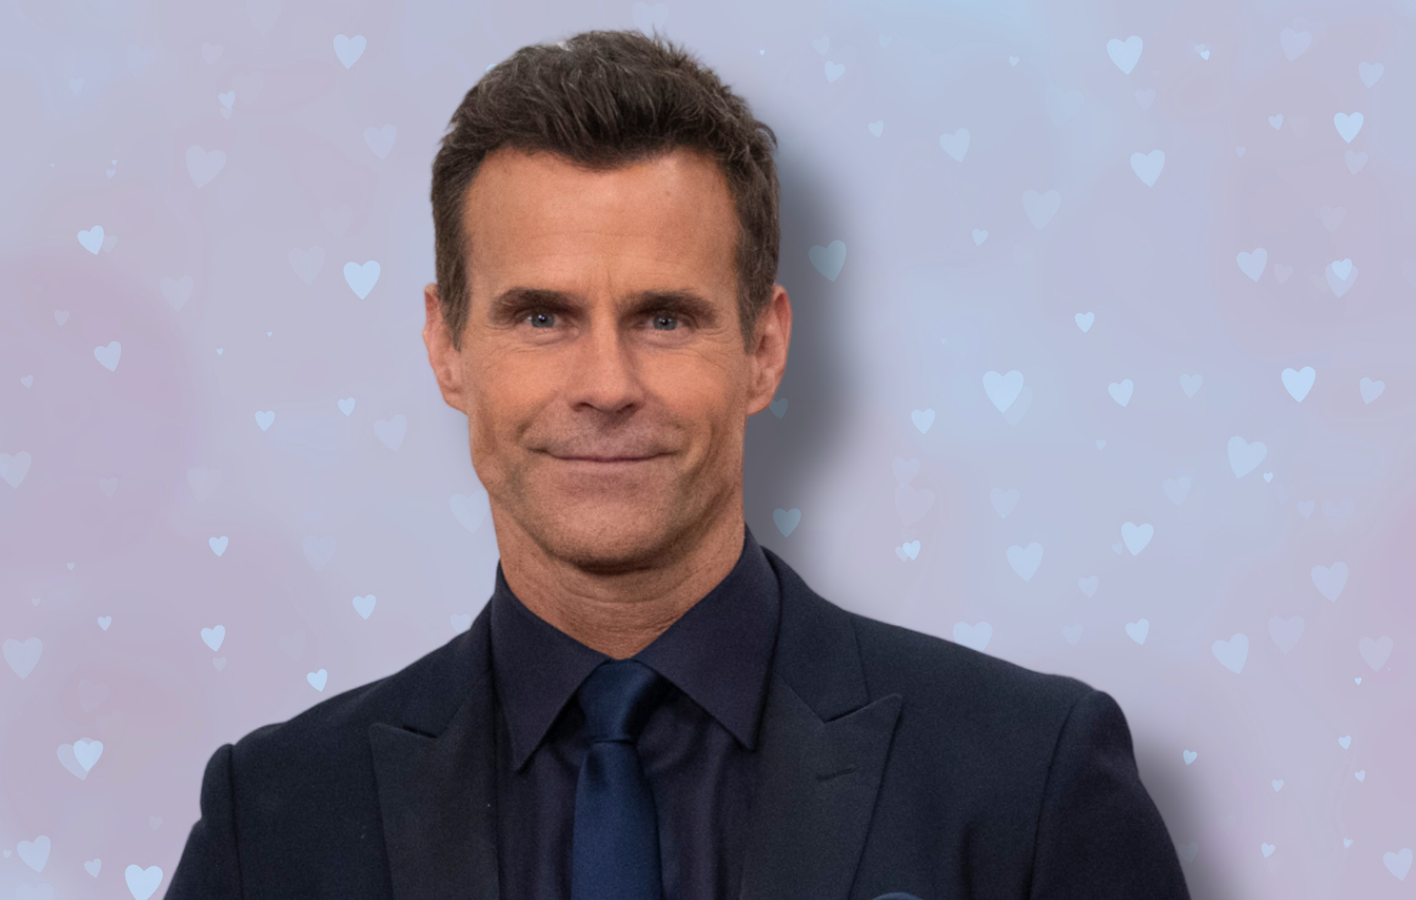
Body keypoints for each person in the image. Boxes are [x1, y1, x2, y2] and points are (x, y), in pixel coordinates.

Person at [164, 29, 1192, 900]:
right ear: (446, 347)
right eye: (541, 317)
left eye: (664, 318)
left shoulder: (1028, 779)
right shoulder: (275, 819)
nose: (605, 384)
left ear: (764, 348)